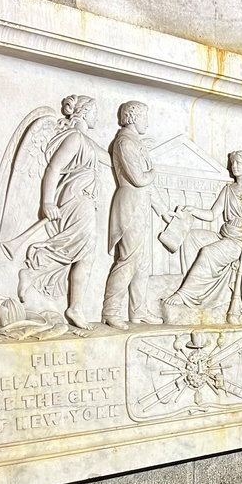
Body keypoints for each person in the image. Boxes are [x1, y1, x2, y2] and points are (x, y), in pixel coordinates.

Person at [17, 95, 106, 330]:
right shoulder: (75, 138)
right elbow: (54, 168)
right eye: (95, 112)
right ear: (84, 113)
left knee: (85, 253)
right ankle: (32, 275)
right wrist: (47, 201)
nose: (98, 117)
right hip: (76, 200)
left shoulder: (85, 140)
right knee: (78, 248)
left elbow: (109, 158)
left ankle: (74, 306)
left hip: (85, 200)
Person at [163, 150, 242, 323]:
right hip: (226, 235)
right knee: (191, 238)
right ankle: (195, 286)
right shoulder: (228, 190)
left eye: (239, 163)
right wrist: (193, 210)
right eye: (233, 163)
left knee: (209, 252)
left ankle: (186, 294)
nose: (235, 166)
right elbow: (213, 214)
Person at [102, 100, 172, 330]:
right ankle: (110, 311)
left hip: (141, 204)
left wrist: (163, 212)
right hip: (130, 205)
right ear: (132, 117)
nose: (147, 122)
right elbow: (140, 179)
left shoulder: (136, 143)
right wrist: (153, 168)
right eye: (144, 117)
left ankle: (138, 309)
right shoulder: (124, 143)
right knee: (128, 260)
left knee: (142, 263)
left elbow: (148, 189)